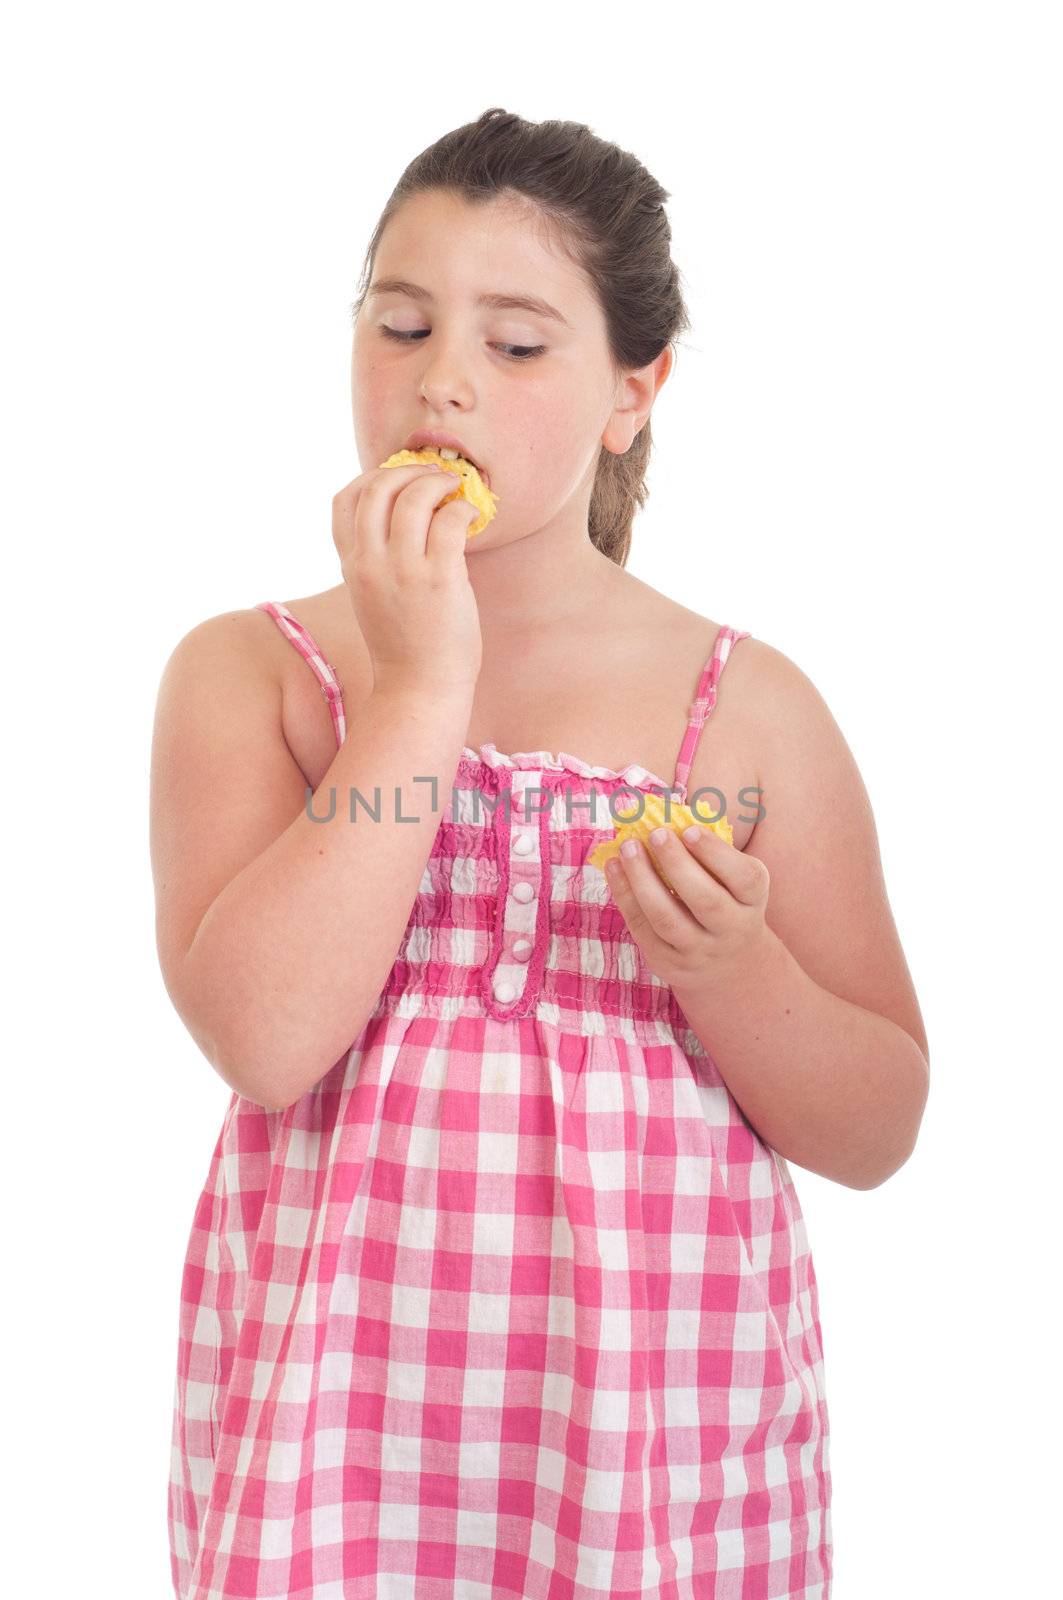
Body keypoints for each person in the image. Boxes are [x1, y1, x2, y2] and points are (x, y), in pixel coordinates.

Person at [152, 108, 930, 1600]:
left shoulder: (745, 708)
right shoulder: (251, 676)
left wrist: (733, 968)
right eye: (399, 322)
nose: (438, 379)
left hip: (656, 1435)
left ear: (635, 393)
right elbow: (266, 1037)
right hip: (338, 1431)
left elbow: (879, 1122)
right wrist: (422, 688)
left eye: (517, 346)